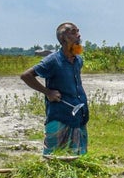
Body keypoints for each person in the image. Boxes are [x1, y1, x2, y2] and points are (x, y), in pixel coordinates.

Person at [20, 21, 89, 155]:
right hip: (60, 114)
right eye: (74, 32)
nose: (79, 35)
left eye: (78, 31)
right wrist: (48, 92)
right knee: (53, 155)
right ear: (63, 38)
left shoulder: (78, 60)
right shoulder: (53, 60)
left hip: (79, 114)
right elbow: (26, 75)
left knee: (78, 156)